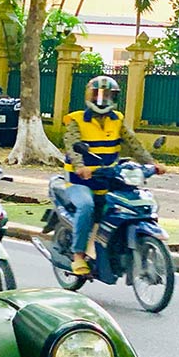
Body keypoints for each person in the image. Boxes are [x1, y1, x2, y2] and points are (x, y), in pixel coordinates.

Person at [62, 75, 165, 275]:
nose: (102, 99)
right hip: (80, 180)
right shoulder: (76, 120)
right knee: (86, 206)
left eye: (107, 95)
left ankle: (113, 248)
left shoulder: (117, 119)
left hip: (108, 178)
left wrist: (151, 164)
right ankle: (78, 256)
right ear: (89, 96)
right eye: (98, 95)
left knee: (127, 205)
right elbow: (72, 146)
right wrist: (80, 166)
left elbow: (134, 144)